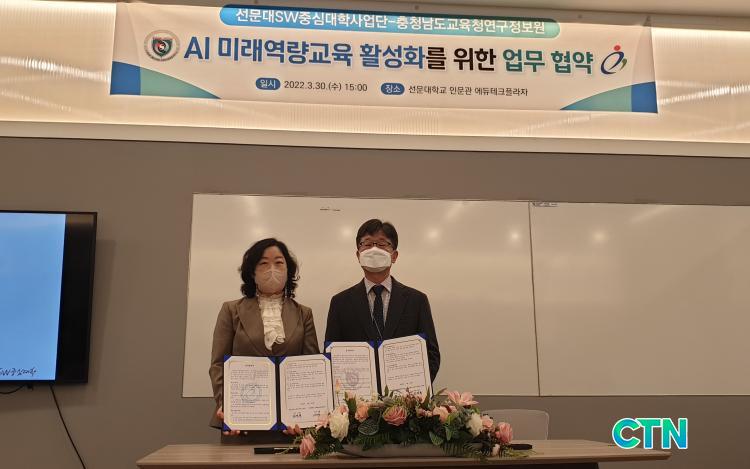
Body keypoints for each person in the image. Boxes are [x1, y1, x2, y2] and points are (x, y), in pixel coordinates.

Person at [209, 238, 319, 435]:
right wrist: (228, 407)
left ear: (288, 270)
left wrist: (305, 415)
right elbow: (218, 364)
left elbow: (310, 369)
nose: (272, 269)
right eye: (263, 263)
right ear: (252, 272)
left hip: (291, 428)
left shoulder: (304, 314)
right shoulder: (231, 310)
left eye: (279, 263)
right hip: (241, 424)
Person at [324, 219, 440, 382]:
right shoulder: (340, 303)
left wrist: (414, 391)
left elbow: (431, 355)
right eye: (367, 244)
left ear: (394, 256)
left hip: (406, 395)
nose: (374, 249)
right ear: (358, 255)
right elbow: (332, 355)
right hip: (357, 396)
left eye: (382, 244)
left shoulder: (417, 300)